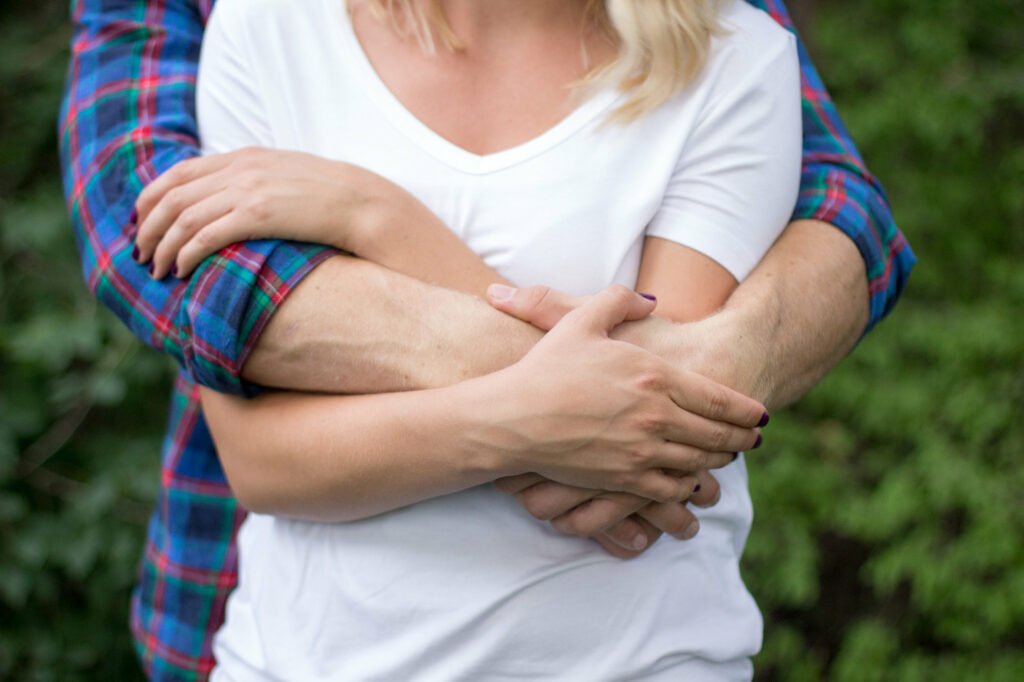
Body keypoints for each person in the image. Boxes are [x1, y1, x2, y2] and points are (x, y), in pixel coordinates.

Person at [59, 0, 915, 681]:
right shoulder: (266, 29)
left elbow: (654, 441)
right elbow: (263, 464)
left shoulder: (732, 54)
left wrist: (376, 216)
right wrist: (532, 420)